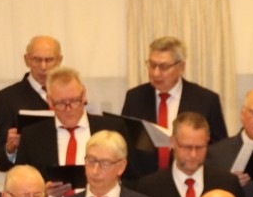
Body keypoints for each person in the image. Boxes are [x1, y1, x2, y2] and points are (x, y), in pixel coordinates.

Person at [15, 67, 155, 189]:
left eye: (74, 101)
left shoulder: (113, 128)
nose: (69, 109)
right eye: (61, 103)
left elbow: (134, 179)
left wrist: (107, 186)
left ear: (84, 96)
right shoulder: (32, 136)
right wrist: (43, 195)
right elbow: (20, 184)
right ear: (49, 100)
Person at [132, 111, 243, 197]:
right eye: (187, 147)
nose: (193, 154)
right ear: (173, 142)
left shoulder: (227, 183)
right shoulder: (148, 186)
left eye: (200, 147)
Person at [120, 36, 230, 169]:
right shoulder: (135, 98)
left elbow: (219, 148)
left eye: (164, 67)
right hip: (143, 178)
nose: (156, 73)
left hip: (189, 175)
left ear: (181, 67)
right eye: (152, 65)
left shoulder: (206, 100)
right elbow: (123, 143)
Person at [0, 35, 62, 171]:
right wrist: (10, 149)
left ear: (59, 60)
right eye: (37, 59)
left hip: (68, 176)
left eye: (49, 60)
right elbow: (1, 162)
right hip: (29, 178)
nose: (43, 66)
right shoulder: (6, 98)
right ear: (27, 60)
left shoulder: (70, 95)